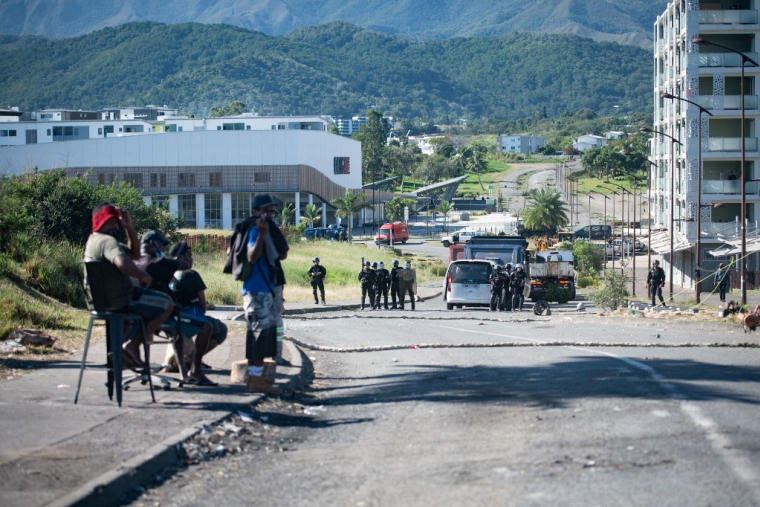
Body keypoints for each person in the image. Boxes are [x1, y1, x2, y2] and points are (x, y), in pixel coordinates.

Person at [83, 204, 173, 368]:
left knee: (130, 320)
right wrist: (142, 275)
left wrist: (129, 227)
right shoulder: (108, 242)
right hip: (122, 301)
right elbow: (123, 262)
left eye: (117, 222)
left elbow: (135, 255)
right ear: (102, 220)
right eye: (112, 221)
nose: (116, 226)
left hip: (100, 303)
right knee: (167, 304)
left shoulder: (94, 240)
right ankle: (132, 345)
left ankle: (119, 350)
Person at [135, 230, 206, 385]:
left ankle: (182, 372)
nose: (163, 248)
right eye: (161, 245)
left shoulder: (133, 263)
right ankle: (190, 372)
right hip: (161, 316)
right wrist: (162, 257)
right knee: (200, 326)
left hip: (136, 315)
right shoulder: (158, 263)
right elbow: (185, 265)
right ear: (153, 245)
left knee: (175, 324)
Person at [167, 241, 229, 385]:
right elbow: (202, 304)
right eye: (189, 255)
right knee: (216, 328)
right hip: (188, 317)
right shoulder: (191, 274)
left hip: (171, 316)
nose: (192, 259)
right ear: (181, 257)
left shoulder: (168, 273)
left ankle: (190, 362)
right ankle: (195, 363)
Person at [242, 194, 282, 394]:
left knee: (264, 336)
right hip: (255, 291)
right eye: (265, 211)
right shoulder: (255, 230)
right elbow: (251, 257)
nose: (268, 215)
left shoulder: (265, 230)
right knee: (257, 337)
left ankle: (257, 378)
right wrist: (262, 235)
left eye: (271, 211)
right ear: (255, 212)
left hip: (264, 290)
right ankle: (255, 380)